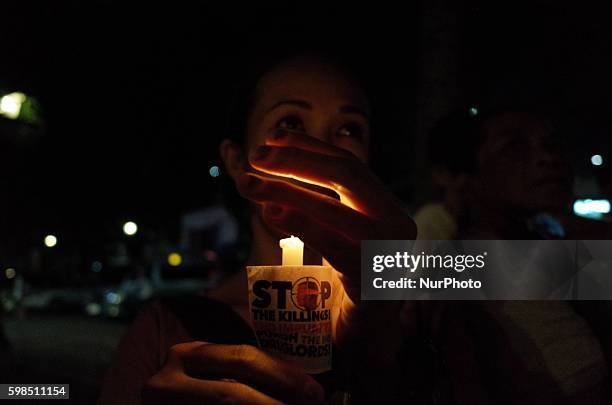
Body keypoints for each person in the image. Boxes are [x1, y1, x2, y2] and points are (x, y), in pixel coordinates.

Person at [98, 51, 427, 405]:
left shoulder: (416, 318)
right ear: (238, 161)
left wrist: (381, 350)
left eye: (348, 129)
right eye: (291, 125)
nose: (320, 150)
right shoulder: (166, 331)